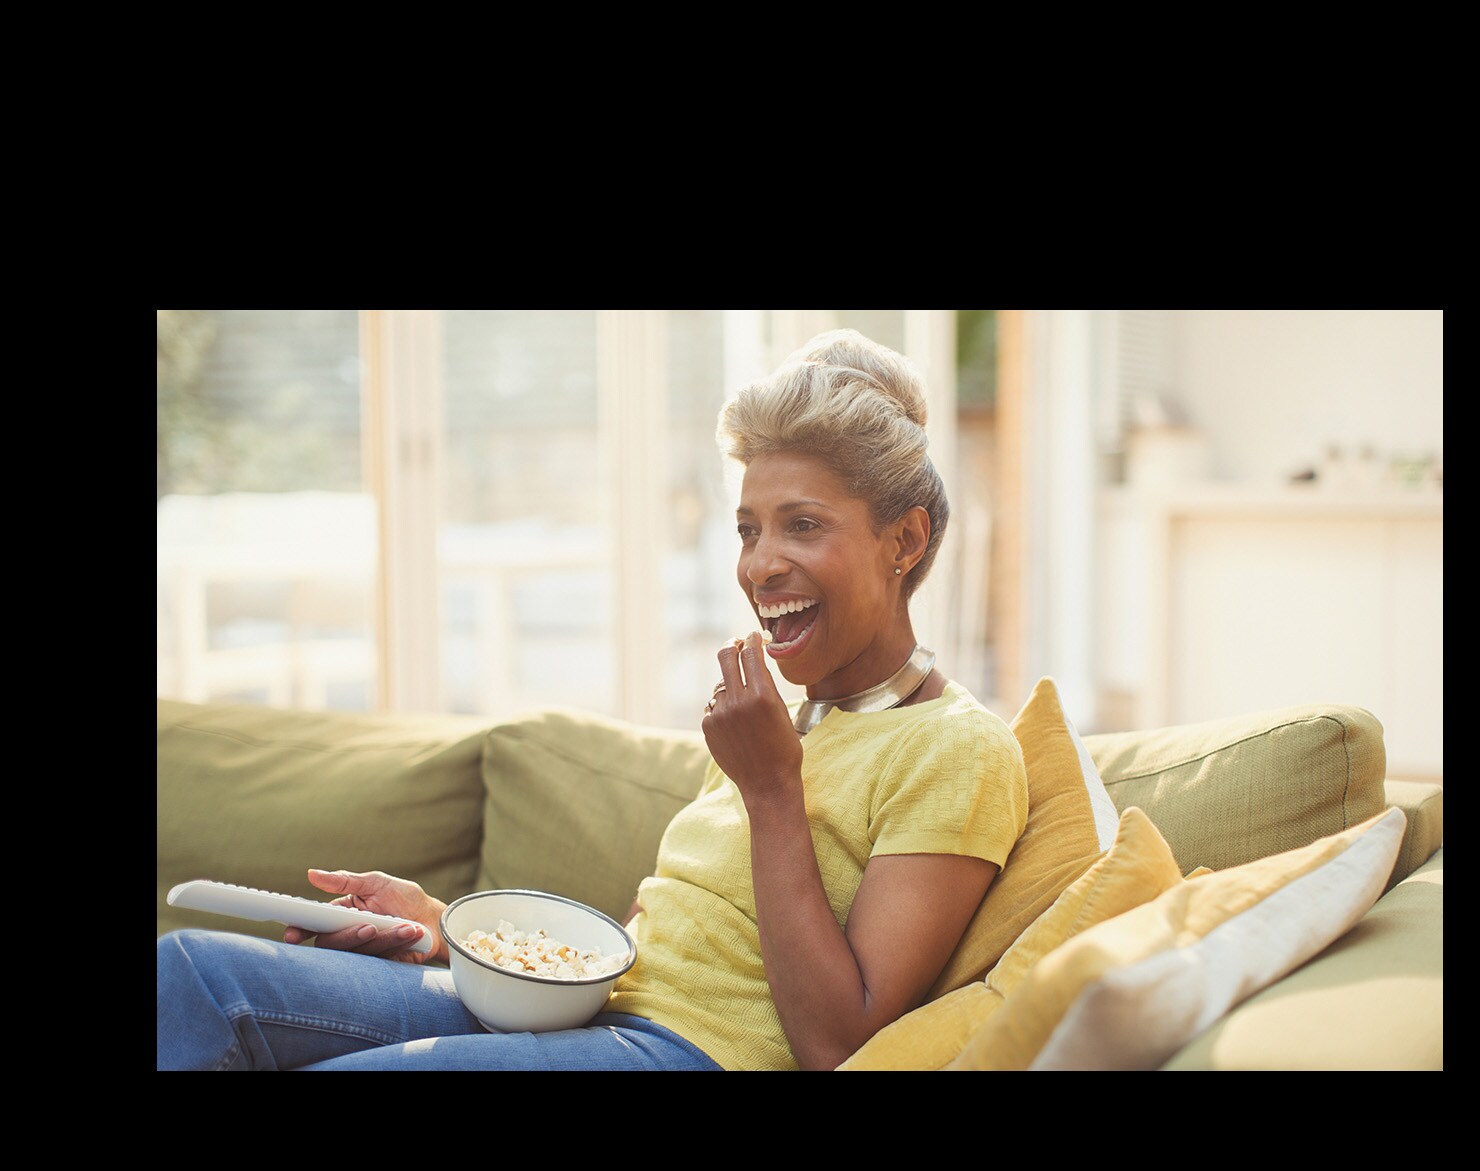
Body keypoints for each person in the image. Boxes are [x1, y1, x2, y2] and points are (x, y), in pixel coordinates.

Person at [157, 328, 1029, 1071]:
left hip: (688, 1053)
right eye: (748, 527)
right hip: (596, 1018)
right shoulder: (794, 720)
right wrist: (455, 932)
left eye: (802, 524)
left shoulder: (957, 750)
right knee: (192, 972)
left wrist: (771, 788)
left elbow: (838, 1045)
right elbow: (651, 943)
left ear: (905, 539)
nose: (760, 563)